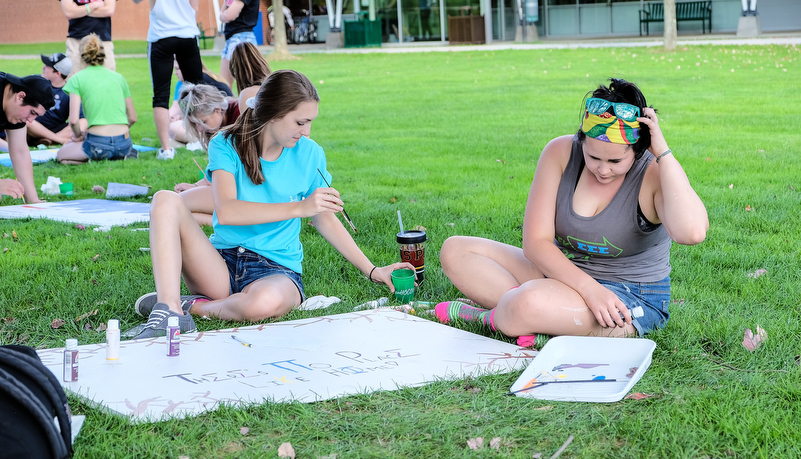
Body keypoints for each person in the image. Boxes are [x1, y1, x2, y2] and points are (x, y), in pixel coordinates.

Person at [131, 69, 415, 338]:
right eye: (300, 122)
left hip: (276, 269)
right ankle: (168, 311)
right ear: (273, 115)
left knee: (260, 305)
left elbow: (325, 218)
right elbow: (227, 211)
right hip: (221, 263)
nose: (307, 131)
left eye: (311, 122)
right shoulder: (225, 144)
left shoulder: (310, 154)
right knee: (165, 200)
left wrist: (374, 271)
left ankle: (190, 306)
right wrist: (300, 208)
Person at [436, 78, 708, 345]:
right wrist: (589, 289)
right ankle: (531, 318)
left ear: (638, 150)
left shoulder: (653, 173)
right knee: (455, 251)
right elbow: (536, 243)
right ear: (582, 140)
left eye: (615, 160)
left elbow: (692, 232)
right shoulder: (560, 153)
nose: (603, 170)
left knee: (524, 303)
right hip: (561, 274)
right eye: (593, 157)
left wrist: (663, 152)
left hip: (627, 296)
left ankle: (492, 316)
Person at [173, 42, 272, 226]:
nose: (201, 128)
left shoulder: (242, 112)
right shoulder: (217, 128)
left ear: (218, 110)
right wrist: (196, 186)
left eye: (203, 122)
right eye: (197, 124)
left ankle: (227, 220)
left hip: (250, 192)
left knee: (176, 205)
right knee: (180, 208)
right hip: (239, 193)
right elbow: (218, 172)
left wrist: (199, 188)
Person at [56, 34, 137, 164]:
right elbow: (133, 117)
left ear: (81, 56)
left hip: (97, 143)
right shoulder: (119, 78)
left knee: (62, 155)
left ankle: (93, 159)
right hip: (124, 143)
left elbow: (73, 121)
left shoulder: (77, 79)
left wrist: (78, 136)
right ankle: (120, 155)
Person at [147, 0, 204, 160]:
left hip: (161, 35)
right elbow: (195, 7)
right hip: (187, 33)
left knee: (160, 96)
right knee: (198, 91)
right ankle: (201, 140)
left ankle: (166, 150)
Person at [0, 53, 87, 150]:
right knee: (27, 120)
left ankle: (46, 139)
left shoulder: (68, 92)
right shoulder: (35, 84)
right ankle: (54, 140)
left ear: (57, 73)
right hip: (30, 127)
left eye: (47, 66)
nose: (43, 68)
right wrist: (58, 139)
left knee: (81, 125)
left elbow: (82, 120)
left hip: (54, 128)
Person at [0, 72, 55, 203]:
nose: (30, 120)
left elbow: (20, 151)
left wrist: (33, 202)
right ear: (20, 96)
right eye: (32, 112)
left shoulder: (14, 110)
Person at [60, 0, 116, 75]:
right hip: (76, 41)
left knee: (107, 77)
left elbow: (109, 11)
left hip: (103, 41)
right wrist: (94, 5)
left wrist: (79, 10)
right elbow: (69, 12)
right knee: (73, 77)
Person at [218, 0, 261, 89]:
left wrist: (225, 15)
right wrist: (225, 15)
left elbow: (228, 16)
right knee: (224, 86)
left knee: (248, 85)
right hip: (232, 39)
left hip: (242, 39)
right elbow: (223, 15)